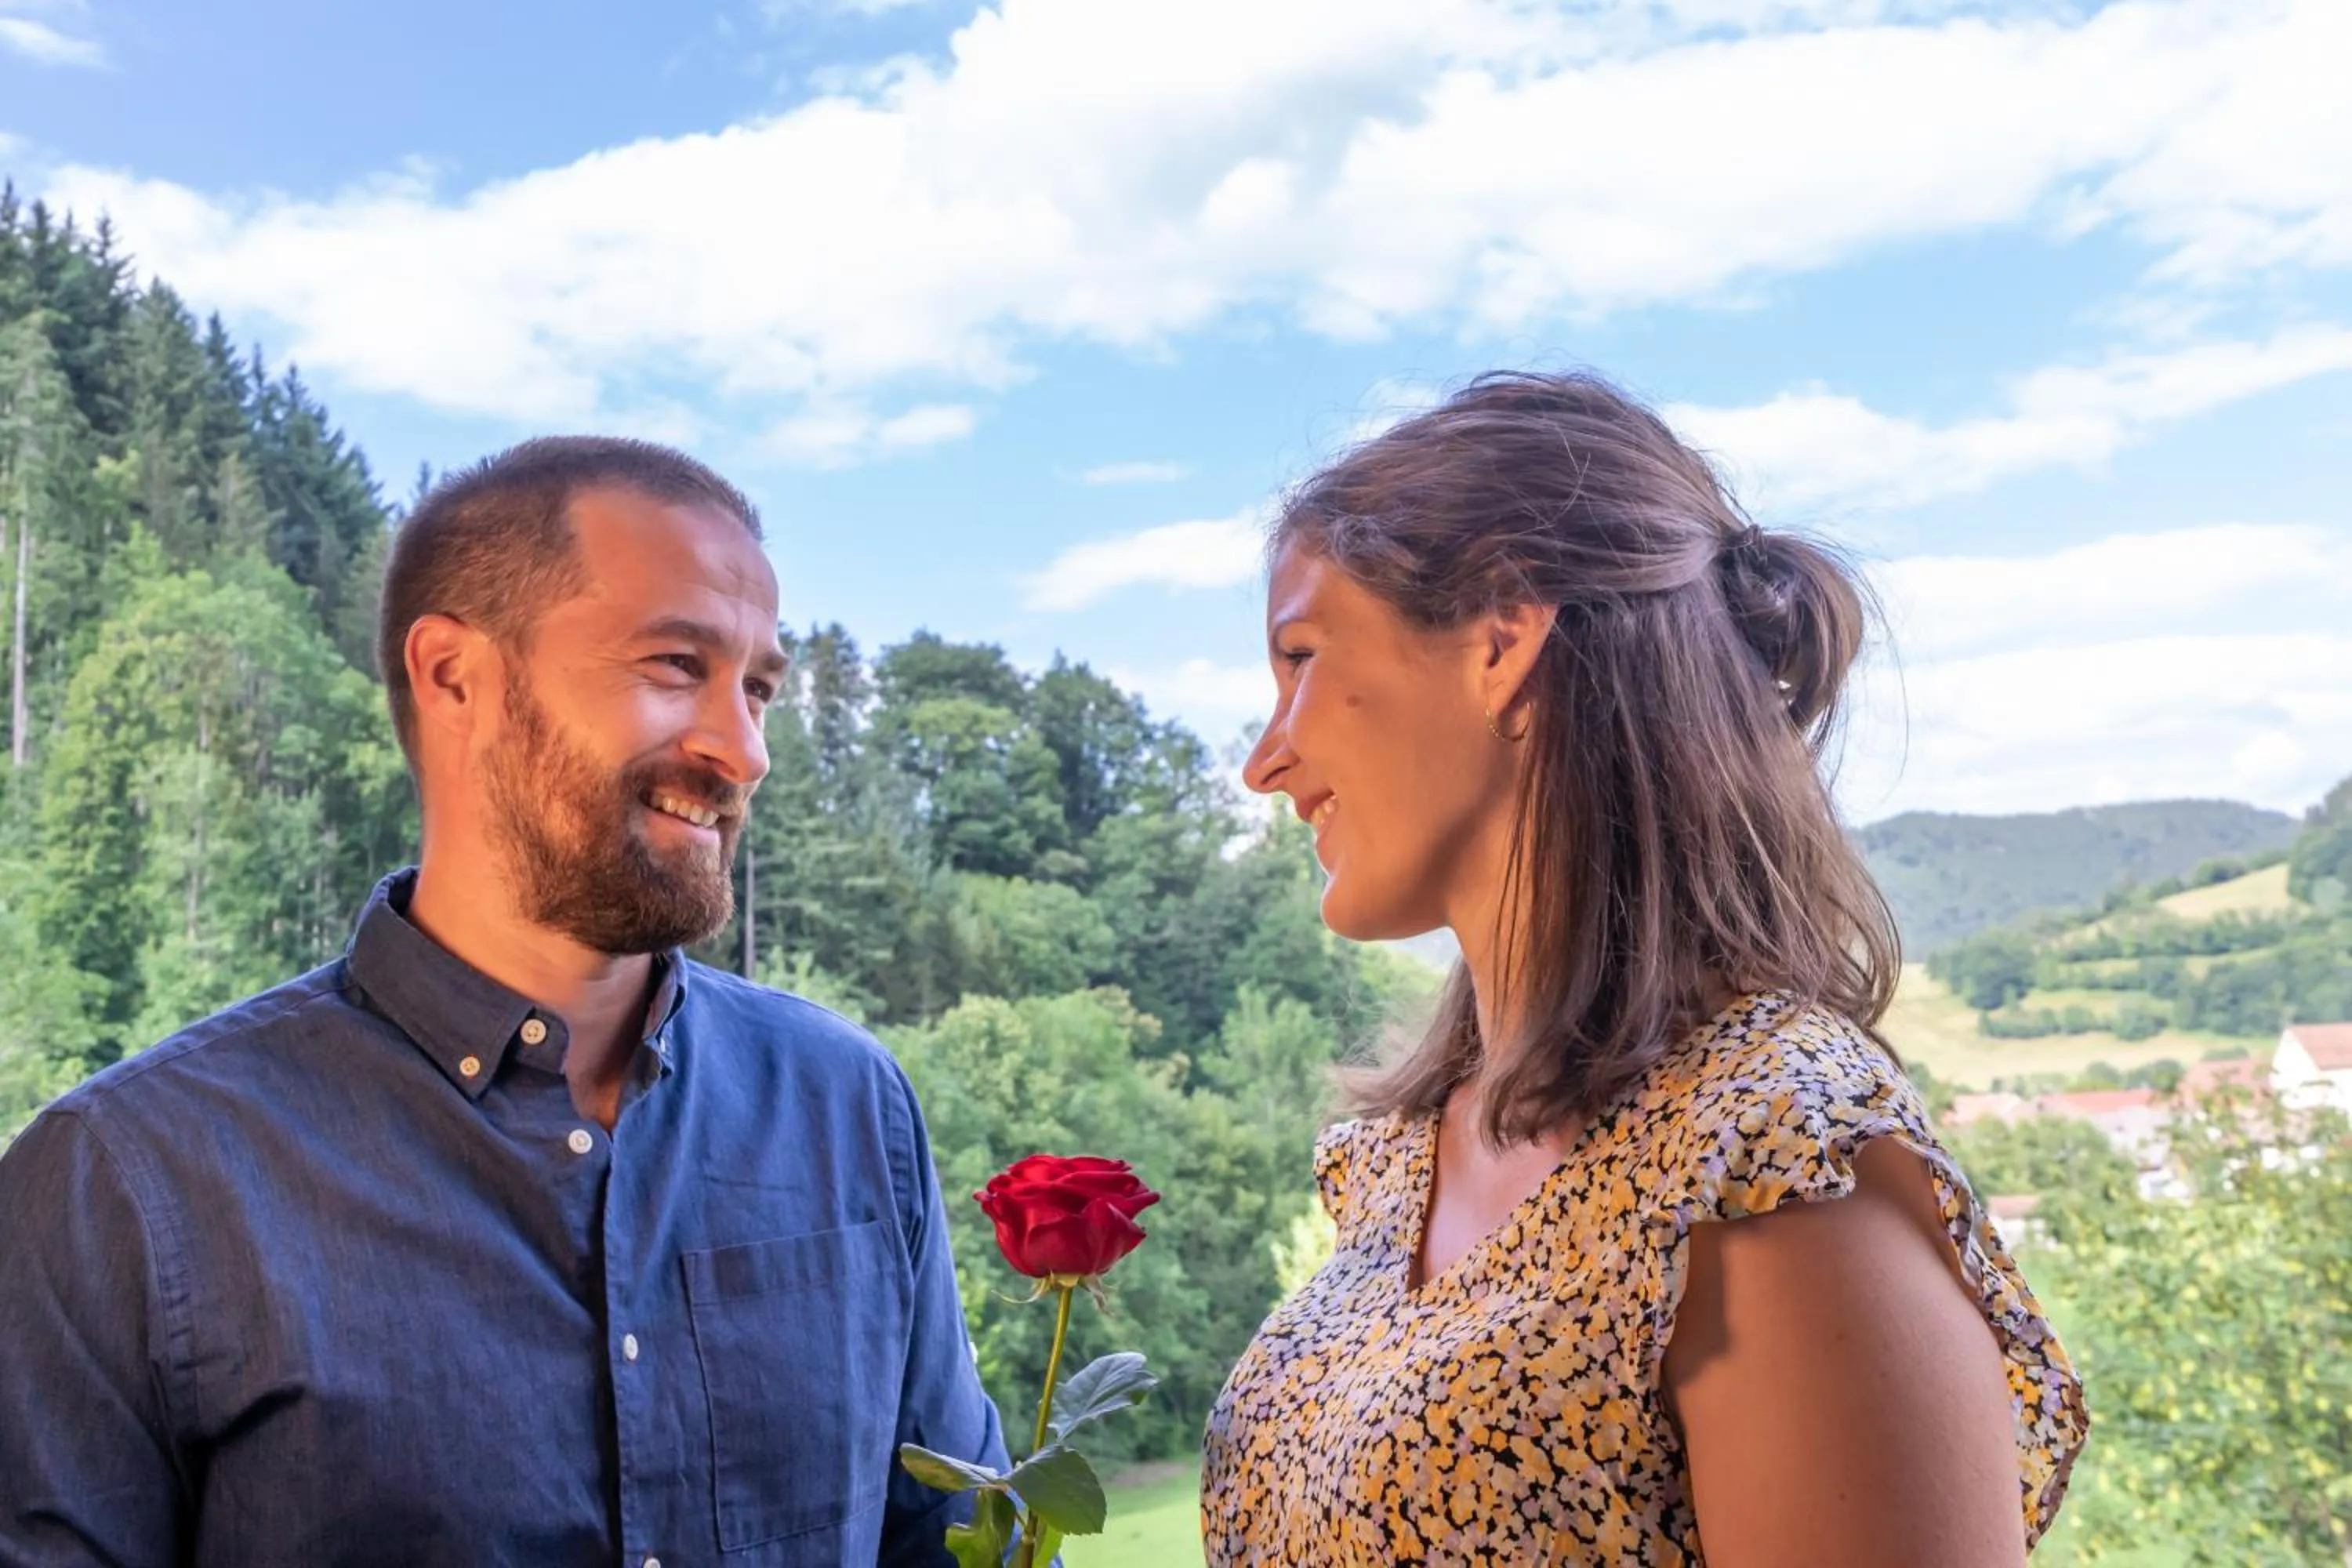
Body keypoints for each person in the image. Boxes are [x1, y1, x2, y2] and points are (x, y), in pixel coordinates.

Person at [0, 438, 1007, 1566]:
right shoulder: (123, 1186)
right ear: (454, 678)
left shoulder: (844, 1104)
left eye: (759, 686)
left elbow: (970, 1542)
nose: (746, 748)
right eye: (678, 664)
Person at [1200, 372, 2086, 1565]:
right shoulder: (1404, 1162)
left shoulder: (1774, 1166)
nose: (1267, 759)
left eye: (1301, 656)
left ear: (1502, 640)